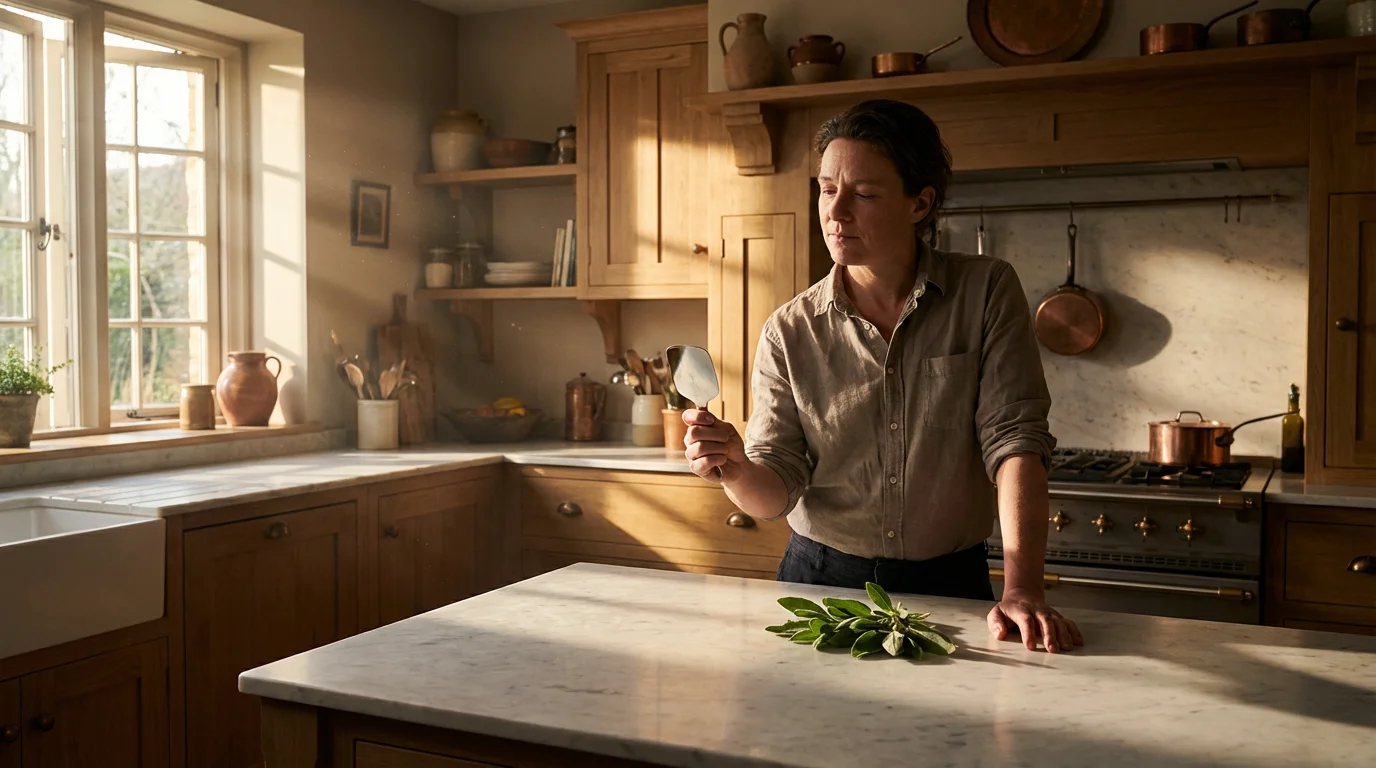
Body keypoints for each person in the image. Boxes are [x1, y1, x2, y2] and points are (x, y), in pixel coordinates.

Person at [681, 99, 1083, 653]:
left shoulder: (985, 291)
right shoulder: (790, 331)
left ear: (920, 203)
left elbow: (1015, 439)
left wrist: (1022, 587)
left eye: (864, 195)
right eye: (826, 189)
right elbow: (774, 491)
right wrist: (733, 465)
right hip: (823, 583)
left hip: (953, 582)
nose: (836, 213)